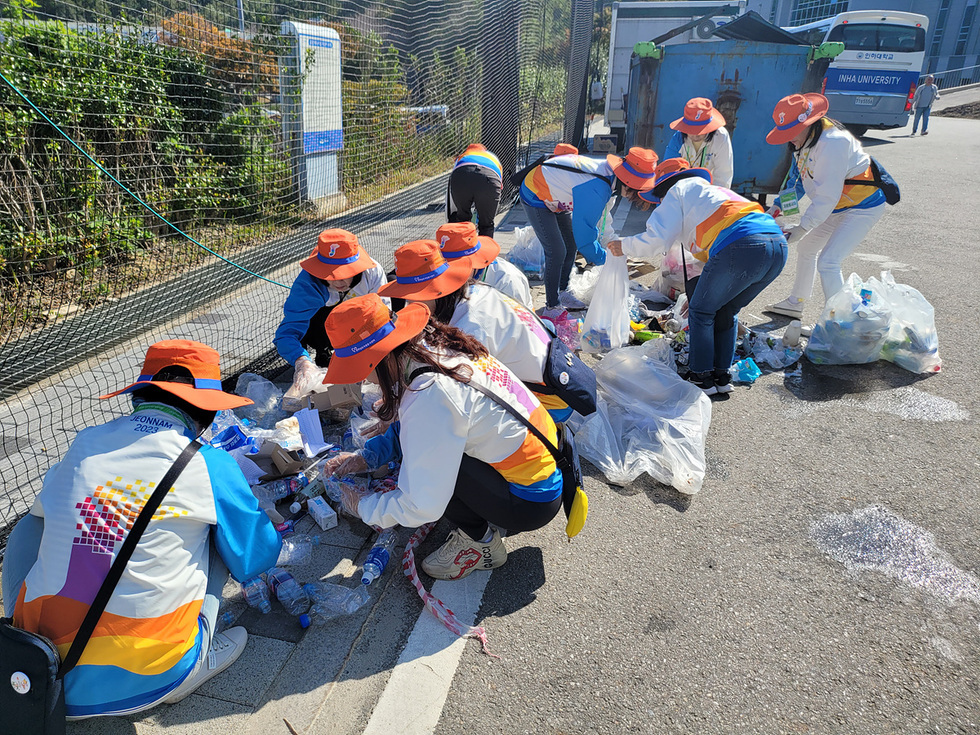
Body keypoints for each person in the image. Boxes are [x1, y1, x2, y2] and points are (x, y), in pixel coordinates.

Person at [1, 340, 281, 718]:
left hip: (43, 674)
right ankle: (193, 664)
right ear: (207, 412)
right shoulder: (208, 463)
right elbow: (257, 558)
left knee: (30, 525)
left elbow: (51, 519)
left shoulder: (86, 442)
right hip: (152, 679)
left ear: (138, 397)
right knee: (219, 537)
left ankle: (22, 634)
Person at [317, 294, 564, 581]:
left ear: (378, 359)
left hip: (531, 501)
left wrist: (363, 506)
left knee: (433, 470)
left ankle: (481, 544)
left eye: (363, 370)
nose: (365, 380)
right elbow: (426, 427)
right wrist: (368, 456)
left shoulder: (430, 393)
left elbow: (422, 504)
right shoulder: (432, 348)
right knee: (431, 456)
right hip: (546, 463)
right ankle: (483, 512)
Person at [606, 159, 787, 396]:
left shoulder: (677, 192)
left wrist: (624, 245)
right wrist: (706, 292)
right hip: (776, 246)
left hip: (742, 244)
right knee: (726, 310)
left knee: (701, 312)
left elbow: (655, 240)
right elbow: (712, 255)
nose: (658, 204)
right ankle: (722, 376)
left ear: (662, 187)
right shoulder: (712, 193)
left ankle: (701, 376)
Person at [378, 239, 573, 423]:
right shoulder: (474, 293)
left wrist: (402, 412)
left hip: (551, 400)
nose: (410, 304)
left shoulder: (469, 327)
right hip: (557, 376)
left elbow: (455, 398)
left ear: (433, 290)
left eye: (412, 296)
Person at [763, 93, 887, 320]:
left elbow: (826, 197)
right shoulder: (803, 141)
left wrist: (802, 227)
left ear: (808, 123)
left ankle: (839, 322)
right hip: (836, 207)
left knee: (829, 261)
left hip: (862, 207)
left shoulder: (833, 142)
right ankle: (795, 303)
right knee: (807, 249)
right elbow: (796, 181)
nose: (789, 139)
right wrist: (777, 209)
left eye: (791, 132)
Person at [519, 146, 658, 313]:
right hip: (536, 192)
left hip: (557, 195)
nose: (630, 198)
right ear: (628, 184)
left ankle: (563, 291)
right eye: (635, 192)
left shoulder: (608, 179)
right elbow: (585, 239)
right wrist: (608, 263)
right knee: (556, 251)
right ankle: (552, 305)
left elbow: (600, 223)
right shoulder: (597, 188)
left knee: (570, 245)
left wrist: (611, 254)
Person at [274, 228, 388, 392]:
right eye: (330, 274)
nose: (339, 281)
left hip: (362, 324)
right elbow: (286, 333)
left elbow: (383, 319)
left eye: (346, 273)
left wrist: (371, 358)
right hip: (324, 328)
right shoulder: (308, 283)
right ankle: (324, 353)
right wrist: (301, 360)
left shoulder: (372, 272)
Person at [435, 221, 532, 308]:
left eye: (456, 266)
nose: (450, 272)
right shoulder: (442, 277)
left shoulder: (506, 281)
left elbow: (518, 323)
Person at [663, 97, 734, 188]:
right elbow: (668, 173)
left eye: (701, 131)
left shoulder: (721, 137)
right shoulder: (677, 139)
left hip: (710, 189)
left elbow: (723, 175)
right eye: (691, 130)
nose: (696, 135)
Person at [446, 143, 503, 237]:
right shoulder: (493, 157)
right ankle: (485, 249)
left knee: (462, 220)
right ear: (484, 150)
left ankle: (462, 248)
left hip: (461, 175)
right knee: (486, 224)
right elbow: (500, 184)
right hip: (489, 177)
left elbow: (452, 181)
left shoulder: (462, 156)